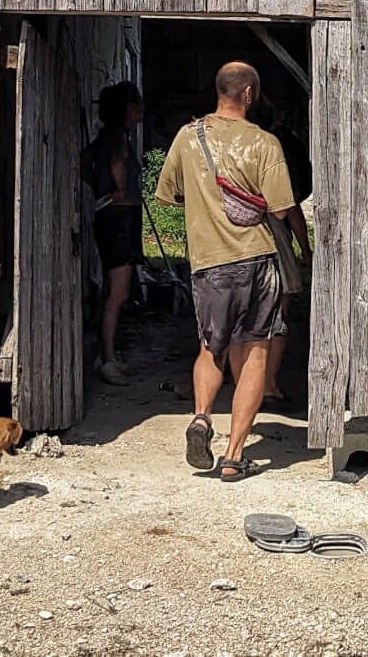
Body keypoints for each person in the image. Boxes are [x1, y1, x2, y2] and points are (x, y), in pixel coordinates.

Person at [154, 62, 307, 481]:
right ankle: (235, 455)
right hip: (255, 259)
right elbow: (280, 207)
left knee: (210, 348)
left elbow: (168, 195)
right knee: (255, 351)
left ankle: (202, 417)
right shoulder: (264, 142)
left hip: (208, 263)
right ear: (250, 94)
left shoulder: (187, 137)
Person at [83, 82, 143, 387]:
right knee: (118, 294)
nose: (140, 112)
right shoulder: (118, 138)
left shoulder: (104, 137)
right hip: (120, 219)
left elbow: (83, 163)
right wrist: (119, 190)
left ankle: (107, 354)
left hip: (108, 217)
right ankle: (107, 359)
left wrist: (100, 190)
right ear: (128, 109)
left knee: (111, 289)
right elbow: (118, 162)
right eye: (137, 106)